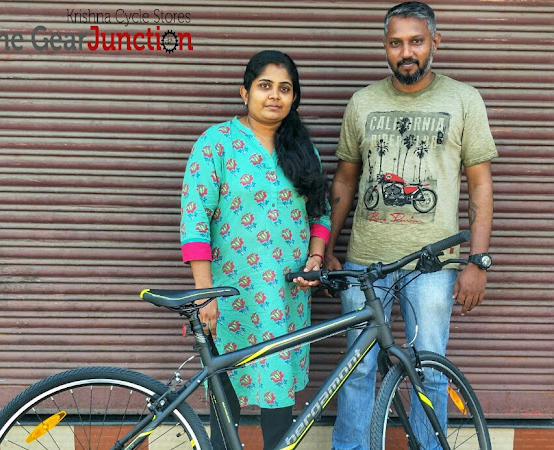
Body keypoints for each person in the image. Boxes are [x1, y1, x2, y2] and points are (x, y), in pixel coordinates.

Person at [326, 2, 498, 449]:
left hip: (433, 266)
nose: (406, 52)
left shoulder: (464, 100)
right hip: (365, 264)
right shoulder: (362, 102)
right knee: (357, 370)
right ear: (384, 46)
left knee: (429, 370)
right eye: (396, 42)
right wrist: (325, 247)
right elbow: (345, 179)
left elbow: (480, 185)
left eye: (416, 41)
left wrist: (478, 260)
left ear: (435, 42)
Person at [180, 50, 331, 449]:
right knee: (224, 401)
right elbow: (195, 221)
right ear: (244, 92)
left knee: (278, 405)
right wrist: (205, 294)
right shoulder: (215, 144)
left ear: (294, 97)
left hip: (285, 297)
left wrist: (316, 258)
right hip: (229, 298)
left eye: (285, 88)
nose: (275, 96)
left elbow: (321, 212)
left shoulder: (303, 149)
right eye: (265, 86)